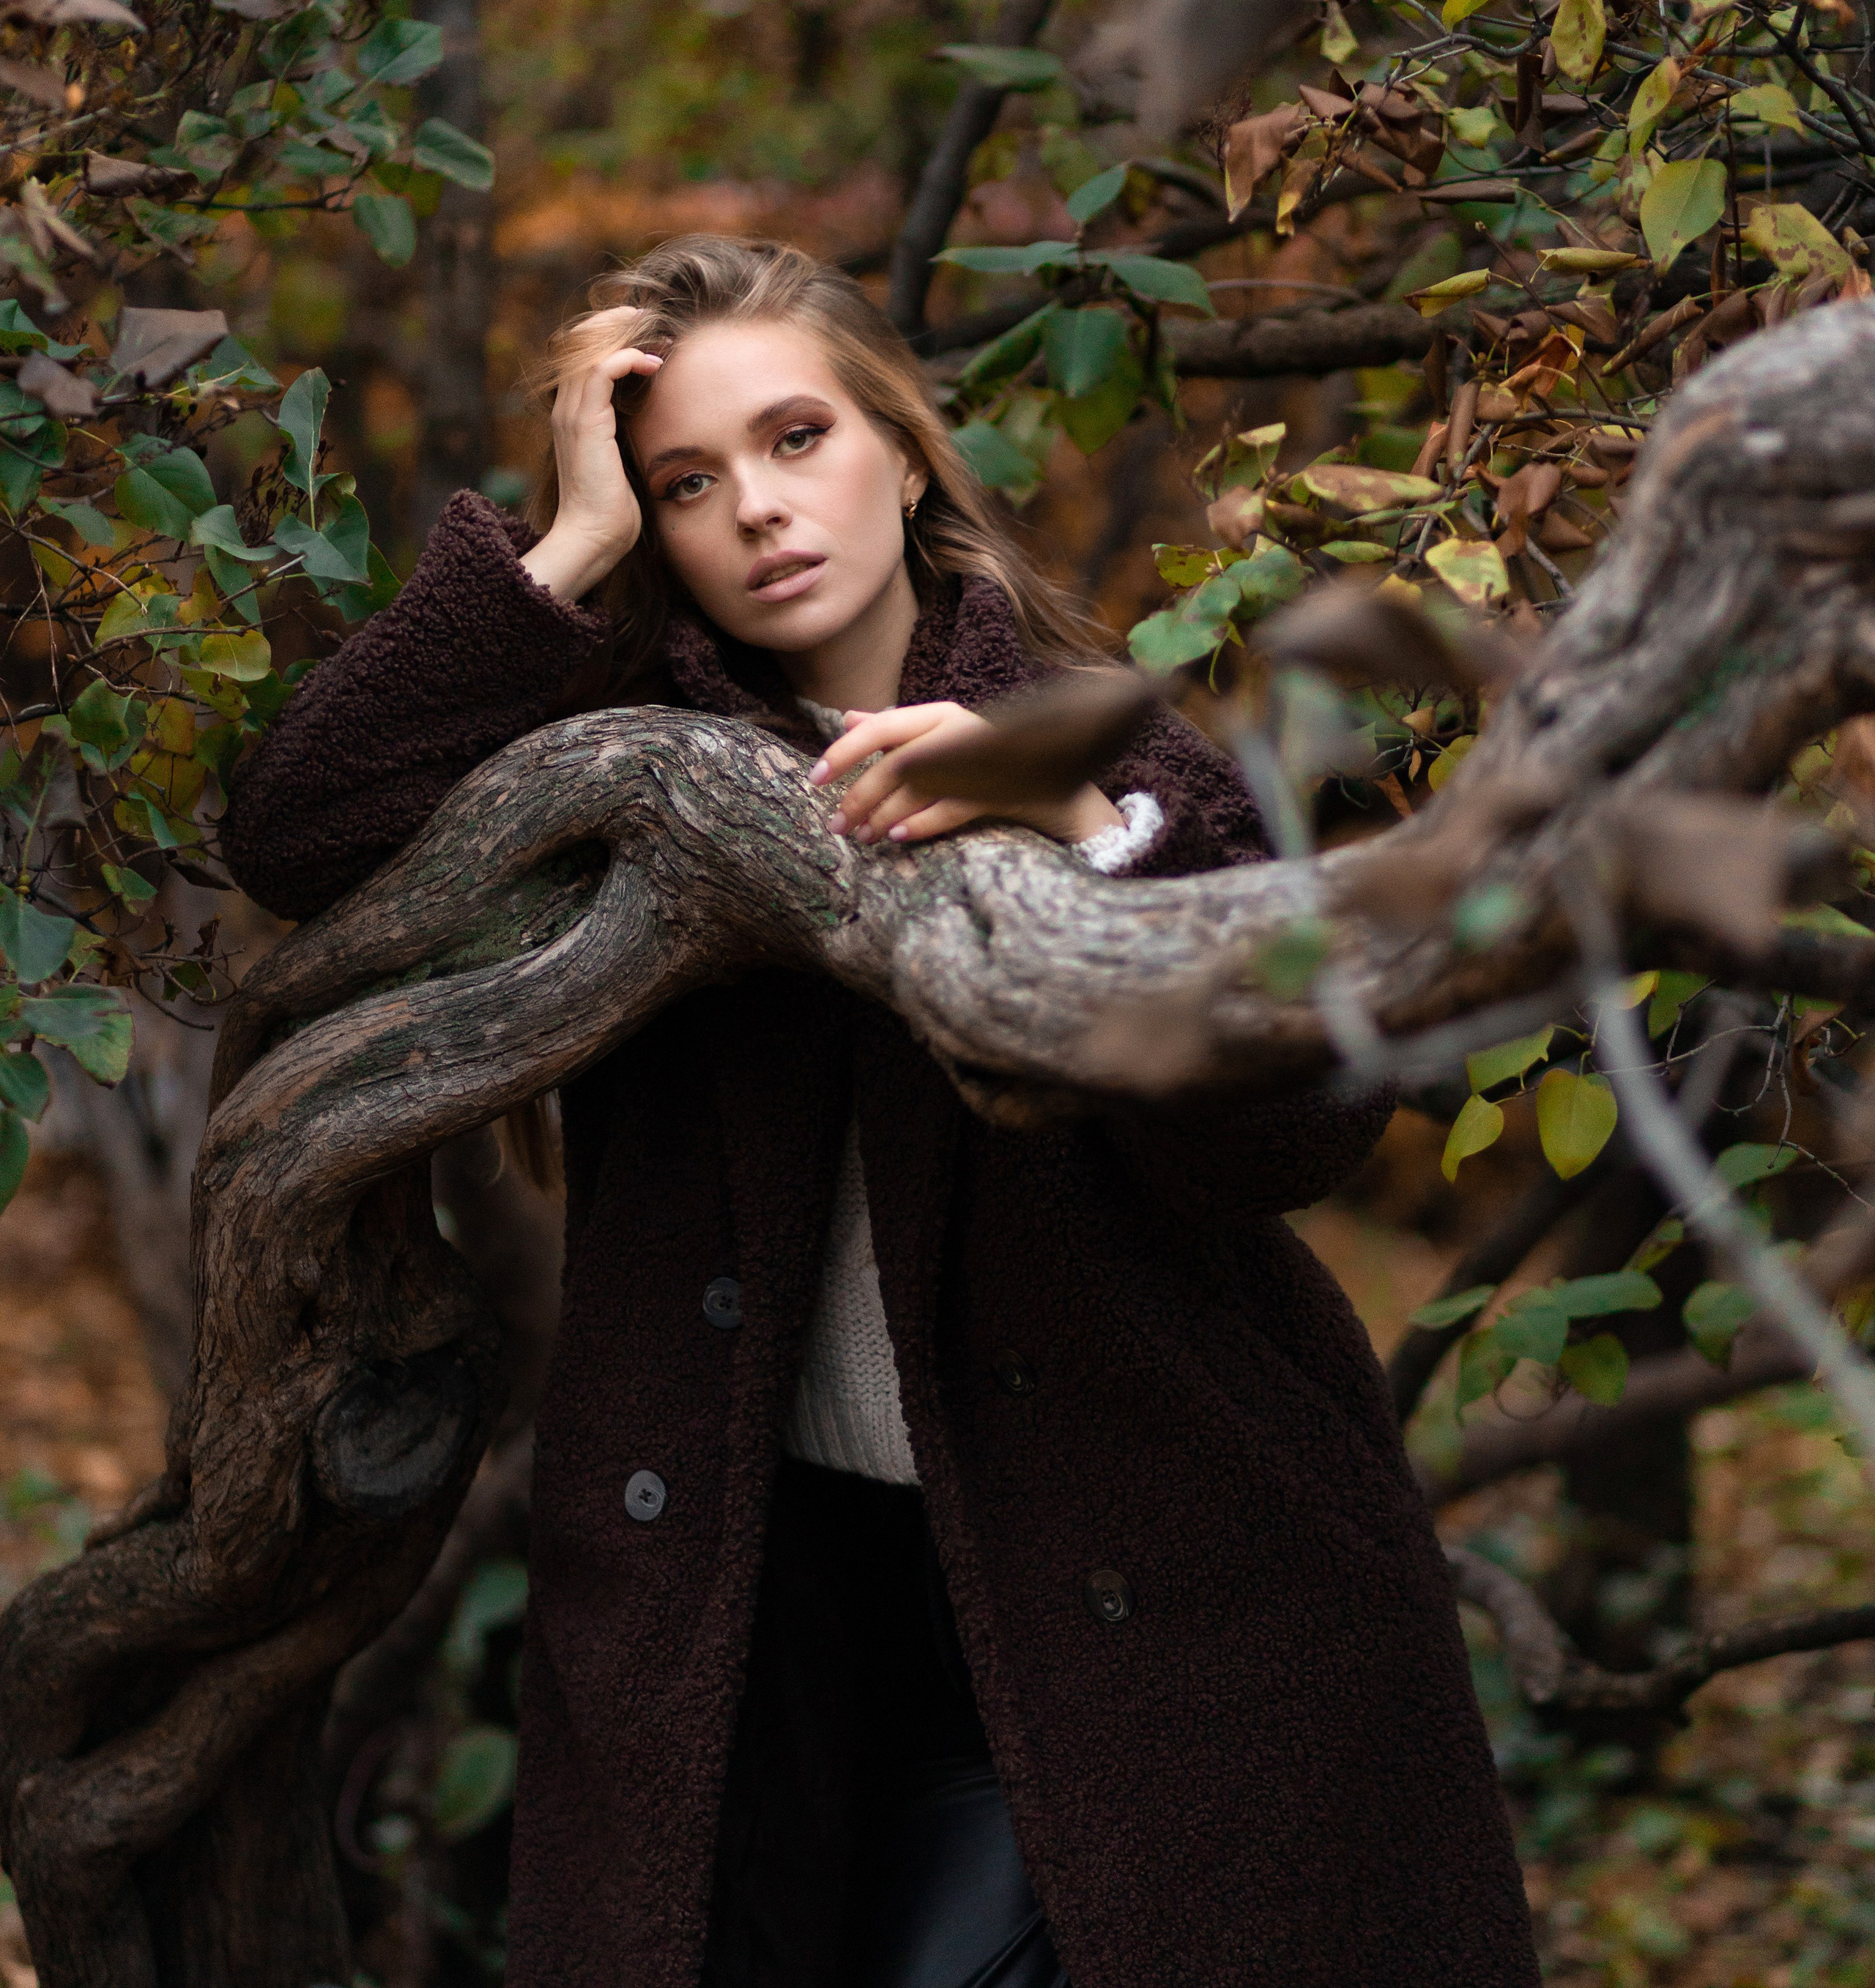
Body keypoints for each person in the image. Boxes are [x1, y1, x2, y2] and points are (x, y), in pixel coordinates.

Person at [220, 234, 1540, 1988]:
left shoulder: (1118, 763)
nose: (755, 508)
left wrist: (1071, 833)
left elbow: (1294, 1136)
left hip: (1160, 1580)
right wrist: (574, 542)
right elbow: (300, 827)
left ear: (904, 457)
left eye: (794, 439)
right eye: (687, 481)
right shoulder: (614, 763)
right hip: (755, 1590)